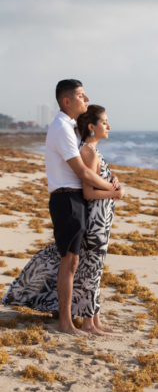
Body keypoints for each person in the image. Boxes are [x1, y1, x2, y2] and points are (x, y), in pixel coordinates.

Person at [2, 104, 124, 335]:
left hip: (101, 220)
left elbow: (95, 177)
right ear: (91, 126)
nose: (109, 125)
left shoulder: (93, 151)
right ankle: (87, 322)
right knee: (89, 269)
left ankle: (93, 320)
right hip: (94, 220)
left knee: (93, 269)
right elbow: (88, 191)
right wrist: (115, 192)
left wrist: (112, 179)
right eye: (104, 121)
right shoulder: (87, 151)